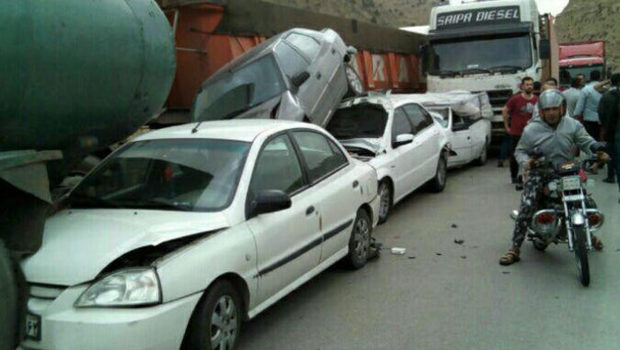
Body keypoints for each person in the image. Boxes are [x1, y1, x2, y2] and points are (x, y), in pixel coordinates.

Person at [499, 89, 609, 265]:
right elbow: (520, 151)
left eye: (554, 109)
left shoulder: (573, 125)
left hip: (567, 170)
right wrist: (527, 163)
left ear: (562, 108)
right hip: (540, 172)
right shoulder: (531, 129)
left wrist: (598, 149)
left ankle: (587, 234)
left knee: (585, 202)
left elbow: (585, 141)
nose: (551, 113)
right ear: (541, 111)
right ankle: (515, 248)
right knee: (527, 206)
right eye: (547, 109)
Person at [502, 77, 537, 184]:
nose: (529, 86)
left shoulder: (536, 99)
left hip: (532, 133)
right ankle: (514, 176)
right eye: (527, 84)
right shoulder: (515, 99)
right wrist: (507, 126)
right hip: (517, 133)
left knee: (532, 155)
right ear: (522, 86)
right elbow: (505, 110)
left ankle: (529, 175)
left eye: (531, 84)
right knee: (514, 155)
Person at [598, 73, 620, 186]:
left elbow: (601, 112)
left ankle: (611, 175)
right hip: (615, 130)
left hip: (611, 130)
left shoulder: (607, 95)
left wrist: (605, 126)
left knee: (611, 154)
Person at [575, 70, 604, 140]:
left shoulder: (585, 89)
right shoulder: (605, 89)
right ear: (600, 77)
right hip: (602, 121)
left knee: (590, 143)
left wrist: (576, 115)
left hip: (589, 121)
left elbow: (579, 107)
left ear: (590, 78)